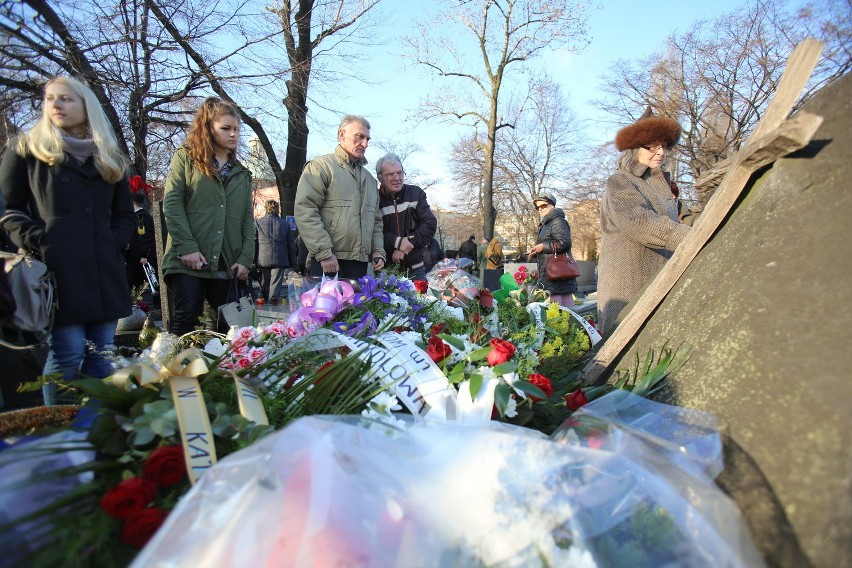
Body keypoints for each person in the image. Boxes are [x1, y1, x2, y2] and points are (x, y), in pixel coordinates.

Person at [0, 76, 136, 405]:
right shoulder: (26, 151)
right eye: (50, 99)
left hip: (102, 269)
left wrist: (111, 241)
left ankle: (95, 430)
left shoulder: (109, 156)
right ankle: (61, 433)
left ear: (86, 105)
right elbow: (10, 209)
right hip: (56, 272)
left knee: (102, 357)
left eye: (66, 98)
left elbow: (125, 215)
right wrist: (43, 241)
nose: (56, 105)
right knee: (67, 354)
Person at [161, 97, 254, 336]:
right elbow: (172, 204)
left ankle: (221, 373)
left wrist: (245, 258)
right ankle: (177, 372)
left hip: (227, 262)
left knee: (228, 330)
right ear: (208, 128)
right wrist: (187, 246)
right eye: (226, 128)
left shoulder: (242, 174)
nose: (233, 134)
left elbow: (246, 219)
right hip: (189, 259)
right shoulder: (186, 158)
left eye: (236, 129)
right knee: (185, 322)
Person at [597, 107, 691, 337]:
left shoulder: (661, 186)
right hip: (628, 285)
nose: (660, 152)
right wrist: (691, 238)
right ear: (633, 148)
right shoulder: (620, 181)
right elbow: (640, 222)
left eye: (665, 146)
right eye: (651, 146)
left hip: (655, 282)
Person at [295, 115, 385, 280]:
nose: (365, 144)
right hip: (328, 261)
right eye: (360, 136)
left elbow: (377, 222)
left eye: (367, 139)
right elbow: (305, 210)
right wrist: (324, 253)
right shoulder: (320, 167)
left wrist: (378, 250)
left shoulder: (370, 181)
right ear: (341, 134)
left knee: (355, 307)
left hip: (360, 264)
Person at [377, 153, 437, 280]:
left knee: (421, 300)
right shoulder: (375, 200)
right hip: (387, 271)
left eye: (400, 173)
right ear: (380, 178)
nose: (397, 178)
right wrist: (397, 243)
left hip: (416, 269)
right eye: (390, 174)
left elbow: (430, 223)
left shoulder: (415, 193)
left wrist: (407, 244)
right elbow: (374, 231)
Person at [528, 193, 577, 307]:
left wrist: (542, 246)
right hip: (551, 273)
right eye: (537, 207)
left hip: (557, 275)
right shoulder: (547, 223)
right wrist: (537, 250)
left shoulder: (557, 221)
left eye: (543, 205)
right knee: (555, 313)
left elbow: (564, 243)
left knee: (558, 312)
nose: (540, 209)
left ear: (552, 205)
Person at [254, 199, 295, 302]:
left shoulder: (258, 222)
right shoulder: (285, 224)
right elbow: (291, 245)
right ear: (278, 209)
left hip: (262, 258)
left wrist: (253, 261)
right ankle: (273, 303)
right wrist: (293, 264)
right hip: (280, 258)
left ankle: (263, 301)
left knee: (265, 282)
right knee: (275, 283)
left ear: (266, 209)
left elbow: (254, 242)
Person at [124, 191, 156, 293]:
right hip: (134, 257)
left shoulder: (141, 217)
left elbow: (145, 236)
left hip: (140, 257)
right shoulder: (137, 216)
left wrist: (144, 255)